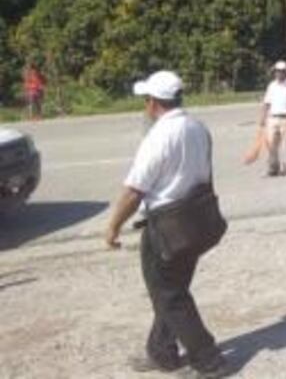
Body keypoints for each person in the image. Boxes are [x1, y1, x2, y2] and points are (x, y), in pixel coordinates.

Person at [104, 70, 228, 378]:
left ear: (153, 102)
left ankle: (209, 361)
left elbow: (134, 191)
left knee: (169, 295)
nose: (145, 105)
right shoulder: (198, 128)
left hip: (167, 227)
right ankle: (162, 352)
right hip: (195, 221)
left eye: (146, 99)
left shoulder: (159, 136)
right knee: (172, 290)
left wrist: (113, 227)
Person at [259, 61, 286, 176]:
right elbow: (267, 102)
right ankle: (273, 167)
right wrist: (263, 117)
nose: (279, 73)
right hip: (273, 118)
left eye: (282, 71)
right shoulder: (271, 86)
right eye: (277, 71)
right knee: (271, 144)